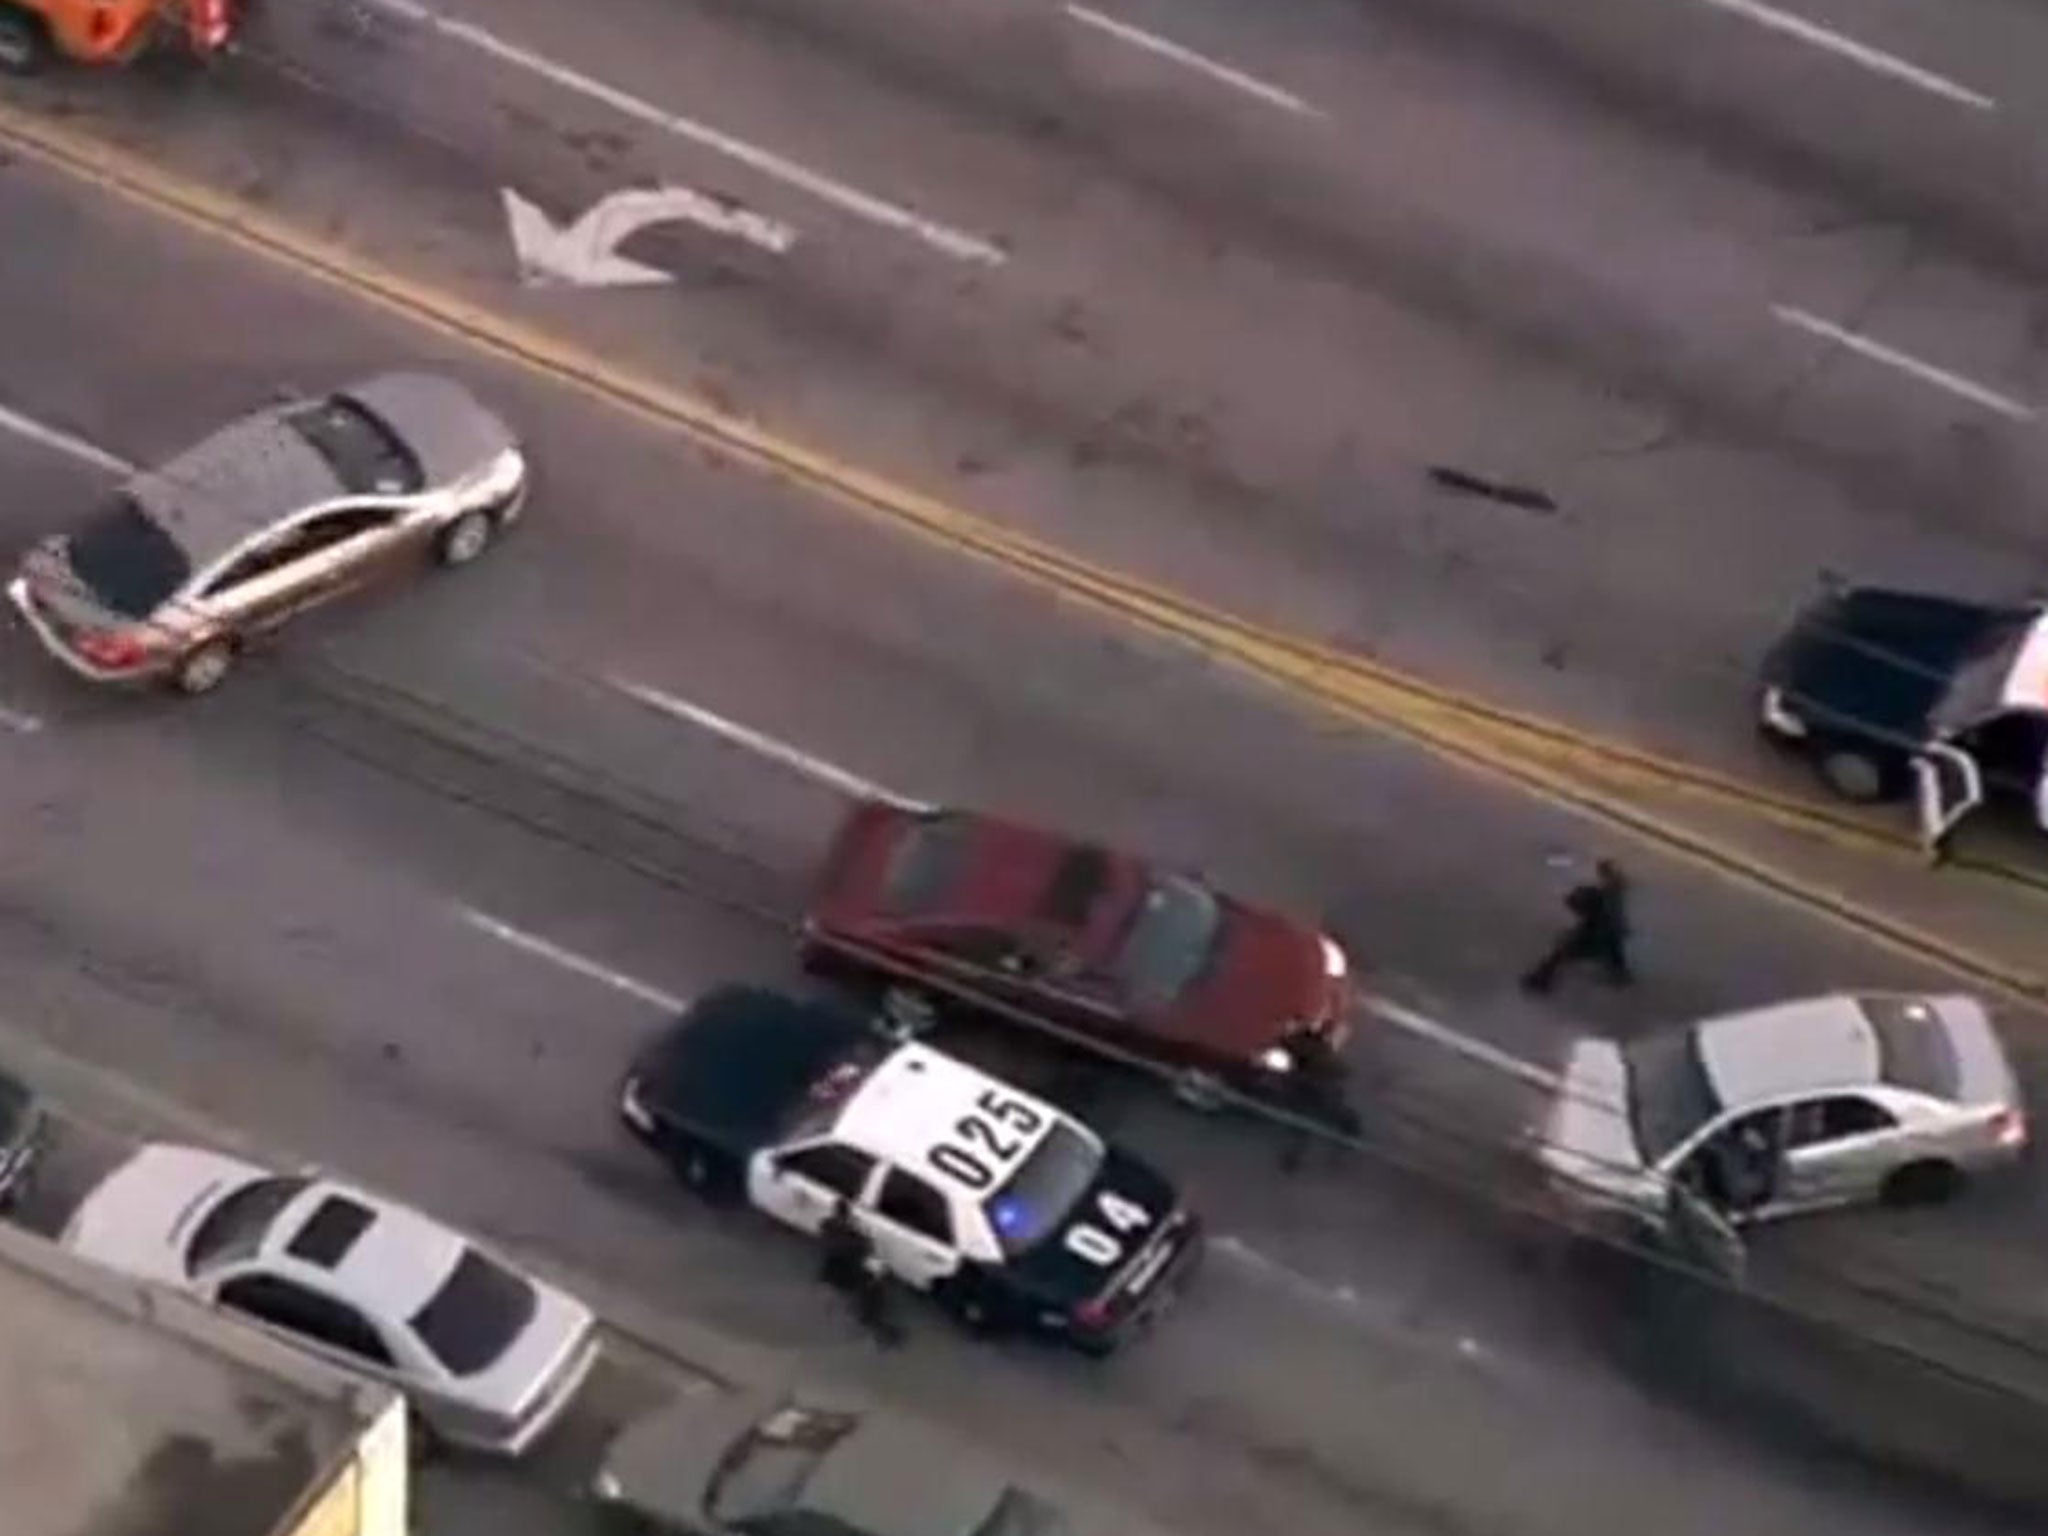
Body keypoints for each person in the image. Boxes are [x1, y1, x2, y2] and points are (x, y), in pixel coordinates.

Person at [1520, 858, 1634, 994]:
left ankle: (1541, 981)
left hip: (1600, 934)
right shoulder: (1612, 893)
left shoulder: (1600, 898)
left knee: (1562, 951)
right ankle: (1620, 973)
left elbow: (1581, 904)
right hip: (1611, 932)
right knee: (1612, 949)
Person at [818, 1196, 903, 1347]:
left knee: (850, 1302)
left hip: (833, 1270)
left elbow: (826, 1238)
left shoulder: (827, 1224)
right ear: (848, 1214)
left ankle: (872, 1327)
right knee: (870, 1300)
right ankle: (878, 1332)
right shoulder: (854, 1236)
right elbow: (865, 1250)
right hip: (852, 1272)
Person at [1278, 1026, 1361, 1174]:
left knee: (1309, 1120)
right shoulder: (1314, 1045)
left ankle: (1296, 1156)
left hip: (1318, 1084)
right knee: (1313, 1119)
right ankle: (1298, 1156)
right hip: (1316, 1084)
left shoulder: (1303, 1044)